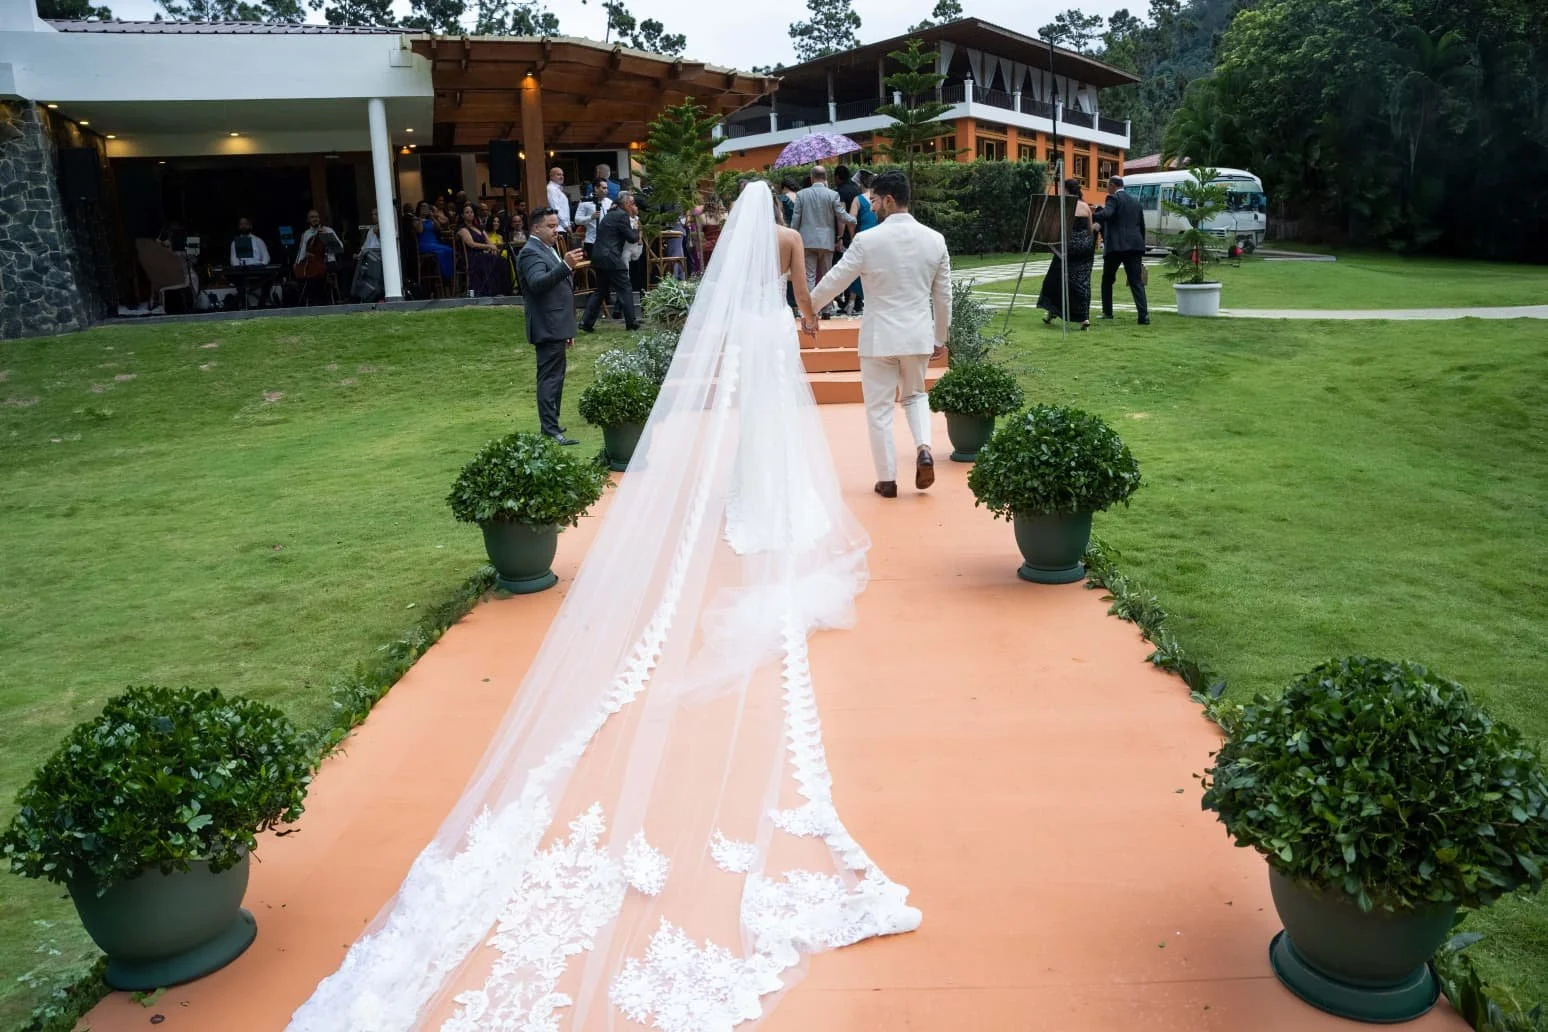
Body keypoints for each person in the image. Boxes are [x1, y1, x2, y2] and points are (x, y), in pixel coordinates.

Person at [287, 178, 919, 1032]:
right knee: (781, 428)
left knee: (750, 431)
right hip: (774, 330)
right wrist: (804, 316)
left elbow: (714, 301)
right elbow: (803, 295)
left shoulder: (737, 243)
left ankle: (747, 497)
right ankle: (779, 502)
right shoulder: (783, 242)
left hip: (745, 331)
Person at [811, 170, 951, 499]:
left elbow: (836, 279)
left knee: (879, 409)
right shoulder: (935, 240)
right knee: (915, 395)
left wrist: (810, 308)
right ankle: (924, 448)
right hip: (917, 335)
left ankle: (887, 480)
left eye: (875, 200)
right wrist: (940, 337)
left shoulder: (867, 241)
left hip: (879, 337)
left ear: (890, 200)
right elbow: (943, 296)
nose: (872, 207)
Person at [516, 207, 586, 444]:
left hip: (557, 323)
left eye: (556, 225)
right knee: (549, 378)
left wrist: (567, 327)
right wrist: (565, 266)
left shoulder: (547, 249)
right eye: (551, 226)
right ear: (536, 228)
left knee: (557, 377)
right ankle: (549, 429)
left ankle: (552, 424)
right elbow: (537, 284)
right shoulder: (530, 253)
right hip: (547, 324)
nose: (556, 231)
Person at [790, 165, 856, 318]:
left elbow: (795, 219)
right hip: (826, 241)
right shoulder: (833, 195)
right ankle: (827, 309)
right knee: (827, 275)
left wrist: (793, 234)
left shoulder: (801, 194)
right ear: (825, 178)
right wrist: (854, 219)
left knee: (810, 276)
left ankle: (810, 309)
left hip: (807, 241)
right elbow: (841, 215)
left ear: (812, 178)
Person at [1036, 178, 1096, 330]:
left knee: (1055, 278)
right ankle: (1084, 318)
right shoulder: (1086, 207)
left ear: (1067, 190)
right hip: (1085, 248)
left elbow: (1057, 228)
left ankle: (1051, 311)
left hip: (1068, 247)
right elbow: (1090, 229)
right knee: (1083, 283)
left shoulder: (1065, 206)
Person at [580, 190, 641, 332]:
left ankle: (586, 323)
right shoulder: (622, 215)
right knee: (625, 287)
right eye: (632, 203)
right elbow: (631, 237)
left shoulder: (610, 214)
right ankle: (631, 322)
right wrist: (636, 229)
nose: (633, 206)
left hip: (599, 255)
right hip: (611, 257)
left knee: (600, 290)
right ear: (625, 204)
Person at [1093, 174, 1150, 324]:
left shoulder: (1113, 198)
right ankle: (1143, 316)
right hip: (1134, 246)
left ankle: (1107, 312)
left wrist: (1091, 215)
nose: (1107, 188)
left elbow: (1107, 213)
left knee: (1107, 279)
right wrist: (1141, 246)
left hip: (1116, 247)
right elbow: (1142, 226)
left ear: (1113, 185)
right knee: (1136, 281)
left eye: (1107, 185)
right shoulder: (1135, 202)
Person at [840, 171, 878, 317]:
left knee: (857, 270)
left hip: (863, 236)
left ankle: (851, 302)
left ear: (861, 184)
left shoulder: (858, 199)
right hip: (879, 236)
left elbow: (851, 220)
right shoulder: (879, 198)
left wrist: (852, 235)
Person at [456, 203, 501, 297]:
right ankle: (487, 290)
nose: (470, 214)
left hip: (481, 254)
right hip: (471, 256)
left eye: (471, 212)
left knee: (500, 260)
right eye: (467, 212)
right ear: (462, 215)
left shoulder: (479, 227)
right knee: (489, 260)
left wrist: (493, 247)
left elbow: (488, 241)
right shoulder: (462, 229)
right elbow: (471, 244)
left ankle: (497, 290)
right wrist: (488, 247)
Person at [413, 201, 455, 283]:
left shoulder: (430, 220)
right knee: (443, 251)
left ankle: (448, 275)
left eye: (426, 207)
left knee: (449, 249)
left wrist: (432, 217)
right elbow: (420, 231)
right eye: (423, 207)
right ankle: (445, 276)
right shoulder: (416, 220)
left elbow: (438, 228)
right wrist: (421, 217)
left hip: (434, 242)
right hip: (424, 244)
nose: (425, 209)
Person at [350, 209, 384, 303]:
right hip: (368, 257)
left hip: (379, 257)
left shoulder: (386, 228)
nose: (373, 216)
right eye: (372, 214)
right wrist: (359, 255)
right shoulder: (370, 231)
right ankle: (362, 296)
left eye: (376, 214)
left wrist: (379, 234)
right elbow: (365, 246)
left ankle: (379, 296)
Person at [545, 166, 572, 233]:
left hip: (562, 227)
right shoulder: (551, 189)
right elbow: (555, 209)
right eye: (558, 174)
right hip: (558, 229)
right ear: (551, 177)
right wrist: (566, 226)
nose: (561, 177)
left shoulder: (557, 189)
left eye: (562, 175)